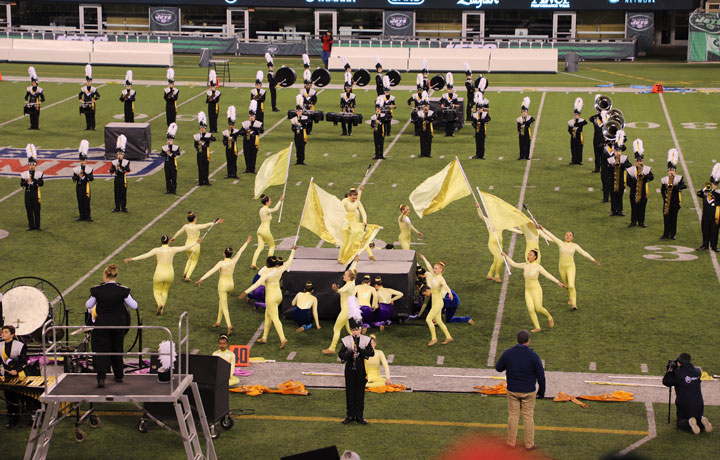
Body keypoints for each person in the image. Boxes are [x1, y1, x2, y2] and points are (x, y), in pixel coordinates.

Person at [85, 264, 138, 388]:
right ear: (116, 276)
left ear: (105, 276)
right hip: (118, 325)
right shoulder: (123, 290)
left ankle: (101, 379)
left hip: (102, 325)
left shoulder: (97, 290)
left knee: (101, 351)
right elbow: (134, 305)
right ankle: (119, 375)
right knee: (117, 349)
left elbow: (88, 305)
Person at [124, 234, 201, 315]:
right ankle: (162, 308)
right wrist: (196, 242)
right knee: (165, 291)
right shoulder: (173, 249)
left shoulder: (156, 250)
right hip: (170, 274)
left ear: (161, 241)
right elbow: (185, 247)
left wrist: (131, 259)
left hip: (159, 273)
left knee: (156, 291)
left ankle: (159, 304)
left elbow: (144, 256)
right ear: (168, 241)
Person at [495, 329, 546, 450]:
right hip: (528, 391)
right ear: (528, 341)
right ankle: (529, 444)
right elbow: (541, 375)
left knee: (513, 416)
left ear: (517, 340)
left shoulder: (508, 353)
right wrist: (542, 391)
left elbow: (498, 368)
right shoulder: (533, 356)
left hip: (513, 390)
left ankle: (511, 442)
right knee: (528, 417)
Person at [239, 247, 297, 349]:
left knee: (275, 318)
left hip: (271, 297)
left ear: (268, 264)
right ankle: (264, 337)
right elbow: (290, 261)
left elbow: (256, 284)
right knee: (267, 315)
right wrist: (293, 250)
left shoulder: (266, 274)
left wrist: (245, 292)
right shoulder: (280, 269)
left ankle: (283, 339)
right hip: (278, 295)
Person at [196, 236, 252, 336]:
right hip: (231, 285)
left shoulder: (221, 263)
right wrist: (246, 242)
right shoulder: (233, 260)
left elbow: (211, 271)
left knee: (224, 305)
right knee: (221, 302)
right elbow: (240, 251)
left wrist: (202, 278)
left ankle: (229, 325)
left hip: (222, 285)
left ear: (224, 253)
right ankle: (218, 322)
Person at [502, 250, 564, 333]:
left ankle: (549, 317)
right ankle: (537, 327)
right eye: (528, 254)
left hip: (536, 290)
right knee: (530, 309)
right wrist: (505, 256)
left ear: (534, 257)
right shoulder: (525, 265)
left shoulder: (538, 267)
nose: (528, 256)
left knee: (538, 308)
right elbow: (514, 264)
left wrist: (557, 282)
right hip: (527, 291)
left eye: (530, 255)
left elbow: (547, 274)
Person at [538, 226, 599, 310]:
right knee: (566, 285)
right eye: (566, 235)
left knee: (571, 285)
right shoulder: (560, 243)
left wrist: (593, 259)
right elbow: (551, 235)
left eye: (570, 235)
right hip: (561, 267)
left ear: (572, 238)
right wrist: (542, 228)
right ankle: (570, 297)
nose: (568, 236)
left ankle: (574, 304)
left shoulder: (575, 246)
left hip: (570, 267)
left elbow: (584, 253)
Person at [338, 297, 374, 425]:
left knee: (360, 394)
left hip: (361, 368)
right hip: (349, 368)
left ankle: (359, 416)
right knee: (349, 393)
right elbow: (341, 354)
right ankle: (349, 415)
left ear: (360, 328)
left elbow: (371, 352)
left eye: (357, 329)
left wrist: (360, 351)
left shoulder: (366, 340)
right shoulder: (346, 340)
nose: (355, 331)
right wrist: (349, 353)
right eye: (353, 329)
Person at [662, 353, 712, 434]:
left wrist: (670, 371)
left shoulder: (677, 374)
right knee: (697, 419)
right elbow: (689, 372)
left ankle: (689, 422)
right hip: (699, 405)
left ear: (679, 362)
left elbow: (666, 381)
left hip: (685, 406)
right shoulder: (697, 371)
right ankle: (701, 420)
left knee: (680, 422)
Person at [171, 212, 223, 282]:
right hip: (195, 245)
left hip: (187, 245)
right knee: (194, 261)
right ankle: (187, 276)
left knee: (189, 258)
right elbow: (206, 225)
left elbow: (179, 231)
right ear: (194, 219)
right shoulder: (197, 226)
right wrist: (216, 222)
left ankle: (185, 273)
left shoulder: (185, 226)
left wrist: (174, 237)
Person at [323, 257, 358, 354]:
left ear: (349, 277)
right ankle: (359, 346)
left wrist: (336, 290)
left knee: (336, 328)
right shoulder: (352, 281)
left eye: (345, 275)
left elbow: (340, 291)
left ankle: (332, 348)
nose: (343, 276)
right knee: (349, 330)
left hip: (346, 311)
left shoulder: (348, 286)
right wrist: (355, 261)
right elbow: (353, 269)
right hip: (349, 309)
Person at [419, 255, 453, 346]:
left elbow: (446, 286)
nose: (434, 270)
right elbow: (429, 266)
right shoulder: (434, 276)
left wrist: (449, 292)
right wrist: (424, 258)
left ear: (441, 270)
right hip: (435, 302)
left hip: (438, 302)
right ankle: (448, 337)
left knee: (428, 319)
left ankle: (434, 339)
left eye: (436, 269)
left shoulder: (441, 279)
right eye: (434, 268)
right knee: (438, 321)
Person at [338, 186, 376, 264]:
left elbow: (363, 212)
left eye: (356, 198)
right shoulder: (345, 201)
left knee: (361, 237)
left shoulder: (357, 202)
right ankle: (340, 259)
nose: (355, 200)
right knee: (345, 242)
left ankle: (366, 255)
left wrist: (365, 221)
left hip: (354, 223)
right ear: (349, 196)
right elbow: (338, 211)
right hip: (345, 223)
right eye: (353, 198)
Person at [2, 325, 29, 428]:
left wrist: (16, 370)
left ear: (12, 335)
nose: (3, 334)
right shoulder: (0, 346)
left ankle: (29, 417)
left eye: (5, 332)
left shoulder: (20, 345)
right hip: (7, 375)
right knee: (10, 399)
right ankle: (13, 420)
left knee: (24, 397)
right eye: (2, 332)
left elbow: (24, 361)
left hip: (20, 375)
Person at [250, 194, 284, 270]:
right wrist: (280, 200)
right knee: (272, 246)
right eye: (270, 200)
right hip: (265, 231)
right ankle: (269, 265)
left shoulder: (261, 209)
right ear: (267, 202)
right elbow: (275, 209)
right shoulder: (266, 210)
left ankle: (253, 263)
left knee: (260, 247)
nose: (271, 201)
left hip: (259, 230)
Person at [626, 140, 654, 228]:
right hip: (634, 191)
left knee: (642, 207)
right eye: (638, 161)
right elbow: (628, 181)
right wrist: (635, 185)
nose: (639, 162)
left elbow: (651, 177)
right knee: (633, 207)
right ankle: (633, 221)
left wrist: (644, 178)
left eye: (640, 160)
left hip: (643, 191)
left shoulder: (646, 169)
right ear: (635, 161)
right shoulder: (631, 170)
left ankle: (641, 222)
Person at [661, 150, 686, 240]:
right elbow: (662, 190)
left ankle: (673, 234)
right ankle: (666, 233)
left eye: (673, 170)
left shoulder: (679, 178)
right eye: (670, 170)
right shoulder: (664, 180)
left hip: (675, 201)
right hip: (667, 201)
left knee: (674, 218)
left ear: (675, 171)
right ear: (668, 171)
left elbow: (684, 186)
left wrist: (674, 187)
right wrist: (665, 199)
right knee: (666, 218)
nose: (671, 172)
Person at [697, 164, 720, 252]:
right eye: (713, 184)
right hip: (706, 215)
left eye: (715, 184)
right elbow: (699, 194)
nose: (714, 185)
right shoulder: (706, 191)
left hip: (715, 216)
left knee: (714, 231)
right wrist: (705, 189)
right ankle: (705, 245)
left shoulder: (717, 193)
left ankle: (714, 246)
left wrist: (713, 191)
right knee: (705, 230)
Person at [608, 130, 630, 217]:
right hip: (612, 180)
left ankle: (620, 210)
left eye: (619, 151)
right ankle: (613, 210)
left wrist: (621, 165)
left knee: (620, 196)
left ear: (621, 151)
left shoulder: (624, 158)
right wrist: (613, 166)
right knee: (613, 196)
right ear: (614, 151)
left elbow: (629, 165)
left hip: (621, 180)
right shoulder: (610, 160)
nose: (617, 152)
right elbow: (607, 170)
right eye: (616, 150)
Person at [20, 144, 43, 231]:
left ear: (35, 165)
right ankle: (31, 225)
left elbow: (41, 183)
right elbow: (21, 184)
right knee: (29, 209)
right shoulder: (24, 174)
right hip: (28, 194)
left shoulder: (39, 173)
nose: (32, 166)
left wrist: (33, 179)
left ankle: (37, 226)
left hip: (36, 193)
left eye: (33, 164)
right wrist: (26, 182)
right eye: (30, 164)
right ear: (28, 165)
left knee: (37, 210)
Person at [239, 100, 264, 174]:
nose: (251, 117)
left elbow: (261, 130)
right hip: (246, 141)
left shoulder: (258, 123)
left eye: (252, 116)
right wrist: (246, 131)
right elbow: (240, 132)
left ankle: (252, 169)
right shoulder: (245, 123)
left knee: (253, 155)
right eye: (250, 116)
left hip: (254, 141)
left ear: (255, 116)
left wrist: (253, 128)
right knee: (246, 154)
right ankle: (247, 168)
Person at [73, 140, 94, 222]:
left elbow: (91, 178)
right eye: (81, 161)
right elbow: (73, 178)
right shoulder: (76, 169)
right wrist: (77, 176)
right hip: (79, 186)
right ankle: (81, 215)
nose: (82, 162)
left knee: (86, 201)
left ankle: (88, 216)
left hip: (86, 187)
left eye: (84, 161)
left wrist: (84, 174)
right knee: (80, 201)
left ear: (86, 161)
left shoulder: (89, 169)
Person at [110, 135, 130, 213]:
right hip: (117, 178)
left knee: (123, 193)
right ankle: (117, 207)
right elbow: (112, 169)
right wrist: (112, 170)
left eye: (121, 154)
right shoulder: (115, 162)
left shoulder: (126, 162)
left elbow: (127, 169)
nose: (119, 155)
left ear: (123, 155)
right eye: (118, 154)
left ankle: (123, 207)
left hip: (123, 179)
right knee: (117, 192)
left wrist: (121, 168)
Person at [194, 111, 215, 186]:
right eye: (201, 128)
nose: (202, 129)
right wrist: (198, 146)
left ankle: (206, 180)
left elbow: (213, 139)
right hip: (199, 153)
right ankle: (200, 181)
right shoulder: (197, 136)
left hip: (206, 153)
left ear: (205, 128)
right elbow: (195, 145)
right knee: (200, 167)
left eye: (203, 128)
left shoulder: (208, 135)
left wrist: (206, 139)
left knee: (206, 167)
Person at [78, 64, 100, 131]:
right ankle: (88, 127)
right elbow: (79, 94)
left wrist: (95, 100)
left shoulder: (93, 89)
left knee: (92, 116)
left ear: (91, 82)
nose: (88, 82)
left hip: (92, 104)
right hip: (86, 103)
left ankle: (93, 127)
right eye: (87, 81)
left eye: (89, 81)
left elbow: (98, 95)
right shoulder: (83, 88)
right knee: (87, 115)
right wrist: (80, 100)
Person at [161, 123, 180, 194]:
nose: (169, 141)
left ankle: (174, 189)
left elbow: (178, 153)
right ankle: (168, 189)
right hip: (167, 163)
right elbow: (161, 154)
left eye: (170, 140)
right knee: (167, 177)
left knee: (174, 177)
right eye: (168, 140)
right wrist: (165, 153)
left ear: (173, 141)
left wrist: (171, 153)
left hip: (173, 163)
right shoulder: (164, 147)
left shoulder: (176, 147)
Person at [568, 98, 587, 165]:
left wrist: (577, 124)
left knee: (580, 147)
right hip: (573, 136)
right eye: (575, 115)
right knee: (573, 148)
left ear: (579, 115)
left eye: (577, 115)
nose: (576, 116)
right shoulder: (570, 121)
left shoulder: (581, 120)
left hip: (580, 136)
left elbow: (585, 122)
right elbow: (569, 129)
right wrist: (572, 133)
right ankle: (573, 160)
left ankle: (579, 160)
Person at [589, 95, 605, 174]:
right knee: (596, 154)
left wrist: (602, 113)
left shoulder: (605, 118)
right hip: (596, 138)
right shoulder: (595, 118)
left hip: (604, 138)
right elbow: (590, 119)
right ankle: (597, 168)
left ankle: (604, 167)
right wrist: (598, 113)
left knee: (603, 154)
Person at [222, 106, 240, 179]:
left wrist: (232, 139)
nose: (231, 126)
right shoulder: (225, 132)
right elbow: (223, 141)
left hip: (234, 147)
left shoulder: (236, 131)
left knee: (234, 160)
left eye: (232, 125)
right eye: (230, 125)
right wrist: (226, 142)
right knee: (229, 160)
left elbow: (240, 133)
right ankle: (229, 173)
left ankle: (234, 173)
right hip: (228, 148)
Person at [471, 94, 490, 160]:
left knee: (482, 142)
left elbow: (488, 119)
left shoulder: (485, 114)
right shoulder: (475, 114)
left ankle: (482, 155)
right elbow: (473, 122)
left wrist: (481, 121)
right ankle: (477, 154)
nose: (480, 110)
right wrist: (475, 125)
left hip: (482, 129)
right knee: (477, 142)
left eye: (481, 109)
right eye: (479, 109)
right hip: (477, 130)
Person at [440, 73, 458, 137]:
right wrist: (442, 104)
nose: (450, 90)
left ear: (452, 89)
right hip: (446, 111)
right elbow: (440, 101)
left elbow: (457, 104)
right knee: (447, 123)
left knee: (452, 123)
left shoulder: (455, 96)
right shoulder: (444, 95)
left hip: (452, 111)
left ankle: (452, 133)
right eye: (449, 89)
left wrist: (454, 105)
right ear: (447, 89)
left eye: (451, 89)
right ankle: (447, 133)